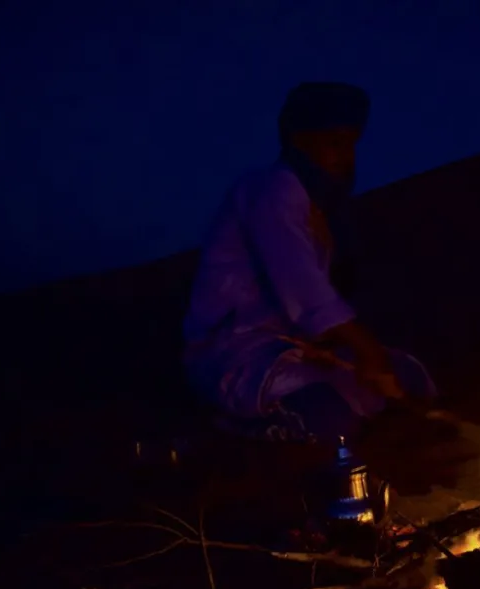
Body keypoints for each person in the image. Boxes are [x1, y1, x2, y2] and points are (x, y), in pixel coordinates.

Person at [183, 82, 436, 444]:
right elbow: (306, 294)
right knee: (327, 415)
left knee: (408, 378)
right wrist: (367, 350)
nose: (344, 157)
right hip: (237, 354)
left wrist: (360, 355)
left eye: (350, 144)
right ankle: (235, 429)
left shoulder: (316, 211)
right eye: (333, 144)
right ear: (300, 142)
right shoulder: (272, 190)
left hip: (295, 351)